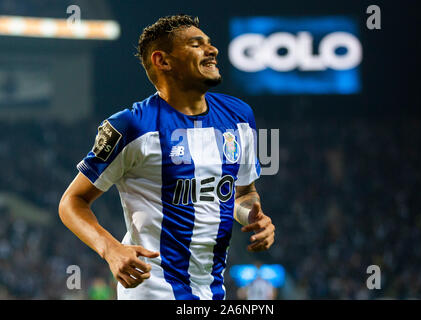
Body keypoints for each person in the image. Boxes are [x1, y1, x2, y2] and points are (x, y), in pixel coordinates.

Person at [58, 14, 275, 300]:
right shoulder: (132, 126)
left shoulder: (240, 117)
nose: (213, 50)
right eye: (197, 45)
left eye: (209, 43)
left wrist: (254, 215)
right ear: (163, 61)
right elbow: (71, 202)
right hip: (152, 287)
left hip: (212, 290)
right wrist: (110, 249)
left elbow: (242, 194)